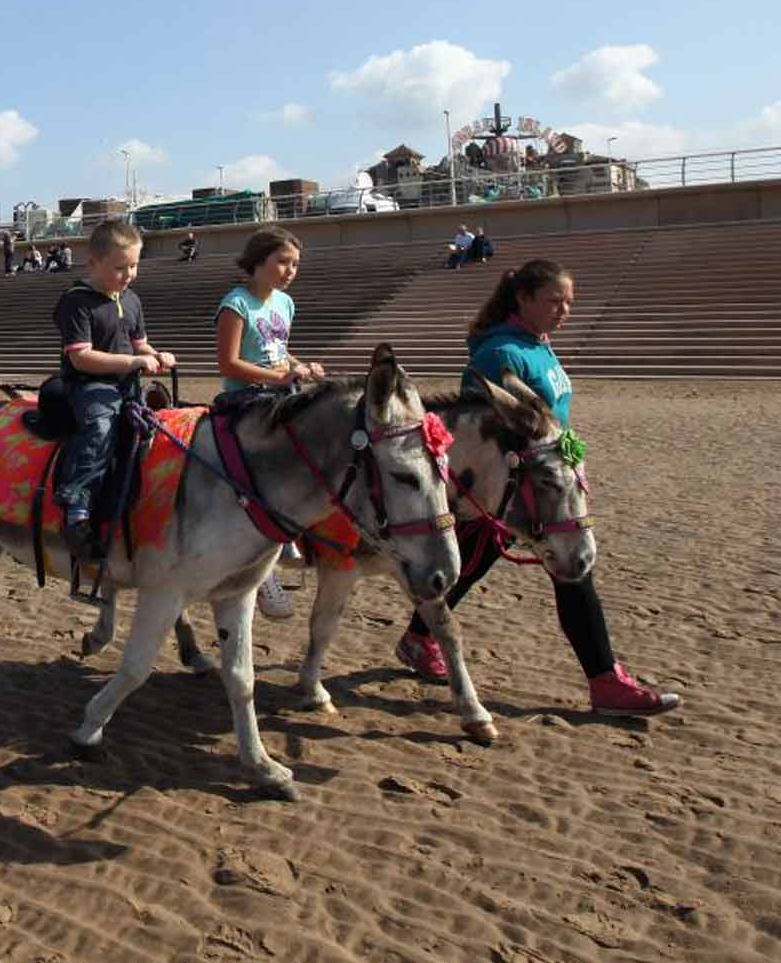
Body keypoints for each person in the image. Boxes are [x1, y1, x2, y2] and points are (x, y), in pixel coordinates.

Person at [395, 258, 680, 718]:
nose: (564, 309)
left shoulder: (537, 344)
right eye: (554, 300)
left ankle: (418, 636)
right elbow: (481, 422)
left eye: (569, 301)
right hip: (522, 485)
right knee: (569, 569)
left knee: (470, 562)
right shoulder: (500, 353)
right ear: (523, 299)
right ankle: (606, 681)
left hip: (547, 475)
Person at [215, 227, 327, 621]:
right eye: (282, 261)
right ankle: (267, 566)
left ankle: (295, 531)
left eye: (295, 264)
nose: (289, 270)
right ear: (258, 261)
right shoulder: (236, 304)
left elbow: (278, 350)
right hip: (245, 399)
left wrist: (299, 367)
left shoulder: (285, 303)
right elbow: (229, 364)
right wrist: (276, 377)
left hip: (279, 393)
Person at [53, 219, 175, 560]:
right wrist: (134, 363)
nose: (129, 274)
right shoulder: (77, 301)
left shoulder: (132, 299)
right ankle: (76, 509)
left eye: (134, 265)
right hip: (88, 386)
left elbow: (140, 344)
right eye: (120, 267)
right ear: (93, 262)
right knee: (99, 428)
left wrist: (156, 355)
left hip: (127, 385)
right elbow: (81, 358)